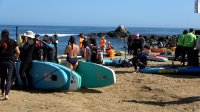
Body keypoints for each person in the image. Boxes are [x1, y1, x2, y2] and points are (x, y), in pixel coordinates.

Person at [0, 29, 20, 100]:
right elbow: (18, 52)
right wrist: (16, 58)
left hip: (1, 62)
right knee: (10, 78)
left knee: (2, 77)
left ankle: (2, 92)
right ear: (8, 34)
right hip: (10, 62)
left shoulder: (0, 42)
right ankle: (6, 94)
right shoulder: (13, 42)